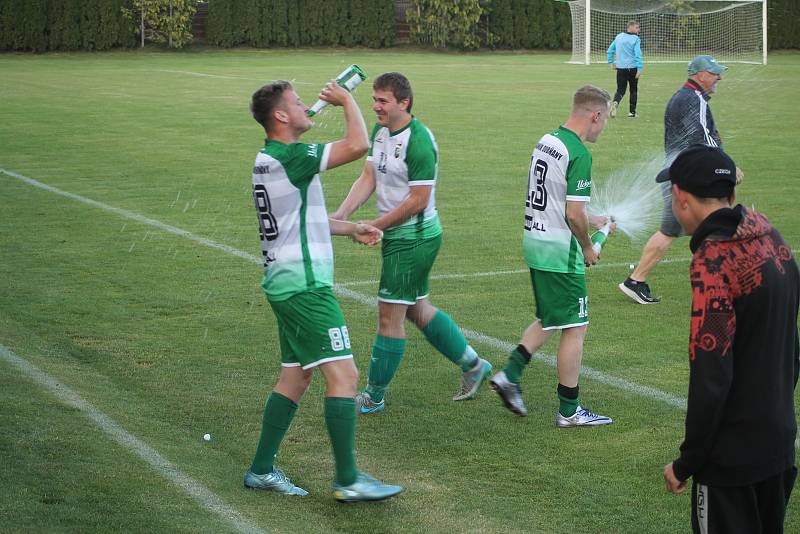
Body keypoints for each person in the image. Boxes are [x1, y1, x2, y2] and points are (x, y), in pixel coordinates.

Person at [243, 79, 403, 502]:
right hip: (306, 289)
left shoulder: (270, 157)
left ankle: (261, 470)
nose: (303, 108)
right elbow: (357, 145)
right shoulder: (292, 156)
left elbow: (301, 216)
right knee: (345, 375)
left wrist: (350, 227)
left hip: (284, 283)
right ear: (280, 116)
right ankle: (348, 478)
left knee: (296, 377)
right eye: (296, 103)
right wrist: (348, 99)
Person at [330, 72, 492, 414]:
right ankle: (474, 365)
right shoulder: (381, 131)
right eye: (374, 99)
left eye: (383, 101)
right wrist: (342, 215)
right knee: (418, 309)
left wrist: (375, 225)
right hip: (401, 236)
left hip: (413, 240)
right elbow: (368, 176)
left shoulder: (418, 141)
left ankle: (373, 396)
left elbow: (418, 199)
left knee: (389, 318)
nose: (375, 106)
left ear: (404, 103)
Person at [660, 144, 799, 533]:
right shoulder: (772, 238)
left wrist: (688, 462)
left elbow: (711, 373)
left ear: (680, 197)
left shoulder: (713, 259)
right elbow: (793, 347)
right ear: (731, 195)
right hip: (779, 444)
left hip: (731, 462)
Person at [489, 85, 614, 427]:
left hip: (535, 241)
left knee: (550, 317)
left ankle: (509, 376)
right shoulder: (580, 154)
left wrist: (595, 220)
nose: (604, 127)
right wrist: (589, 246)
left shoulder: (548, 141)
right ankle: (570, 411)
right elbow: (573, 214)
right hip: (560, 252)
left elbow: (558, 200)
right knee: (576, 325)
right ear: (595, 115)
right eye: (606, 120)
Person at [619, 54, 743, 304]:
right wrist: (729, 166)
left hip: (683, 174)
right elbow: (702, 137)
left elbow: (705, 135)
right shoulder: (692, 99)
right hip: (689, 177)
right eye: (715, 73)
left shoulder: (687, 97)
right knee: (717, 224)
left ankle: (637, 280)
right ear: (701, 75)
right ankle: (727, 283)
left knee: (679, 229)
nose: (719, 77)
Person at [607, 20, 643, 118]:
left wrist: (611, 62)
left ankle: (615, 102)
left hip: (621, 69)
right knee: (633, 90)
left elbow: (610, 50)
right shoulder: (636, 39)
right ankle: (632, 113)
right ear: (630, 27)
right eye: (637, 27)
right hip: (633, 68)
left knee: (620, 90)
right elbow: (638, 54)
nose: (638, 29)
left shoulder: (618, 37)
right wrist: (640, 68)